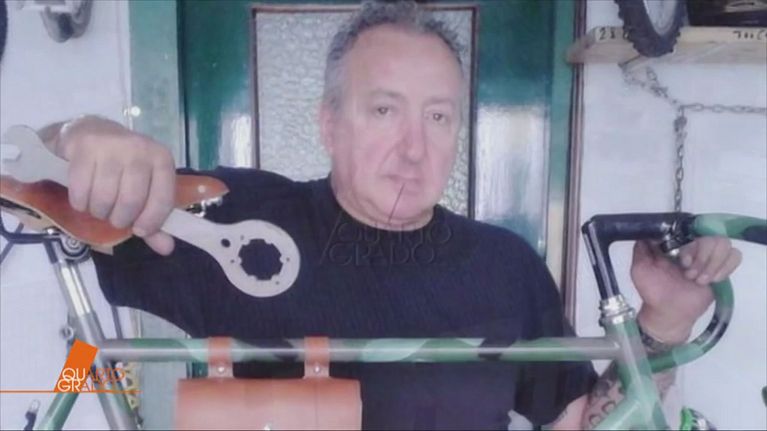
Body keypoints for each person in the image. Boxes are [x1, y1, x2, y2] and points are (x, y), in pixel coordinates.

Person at [39, 1, 741, 429]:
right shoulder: (236, 222)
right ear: (329, 123)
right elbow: (28, 187)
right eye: (383, 110)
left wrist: (664, 326)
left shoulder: (505, 267)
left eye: (438, 117)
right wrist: (79, 136)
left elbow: (582, 423)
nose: (413, 148)